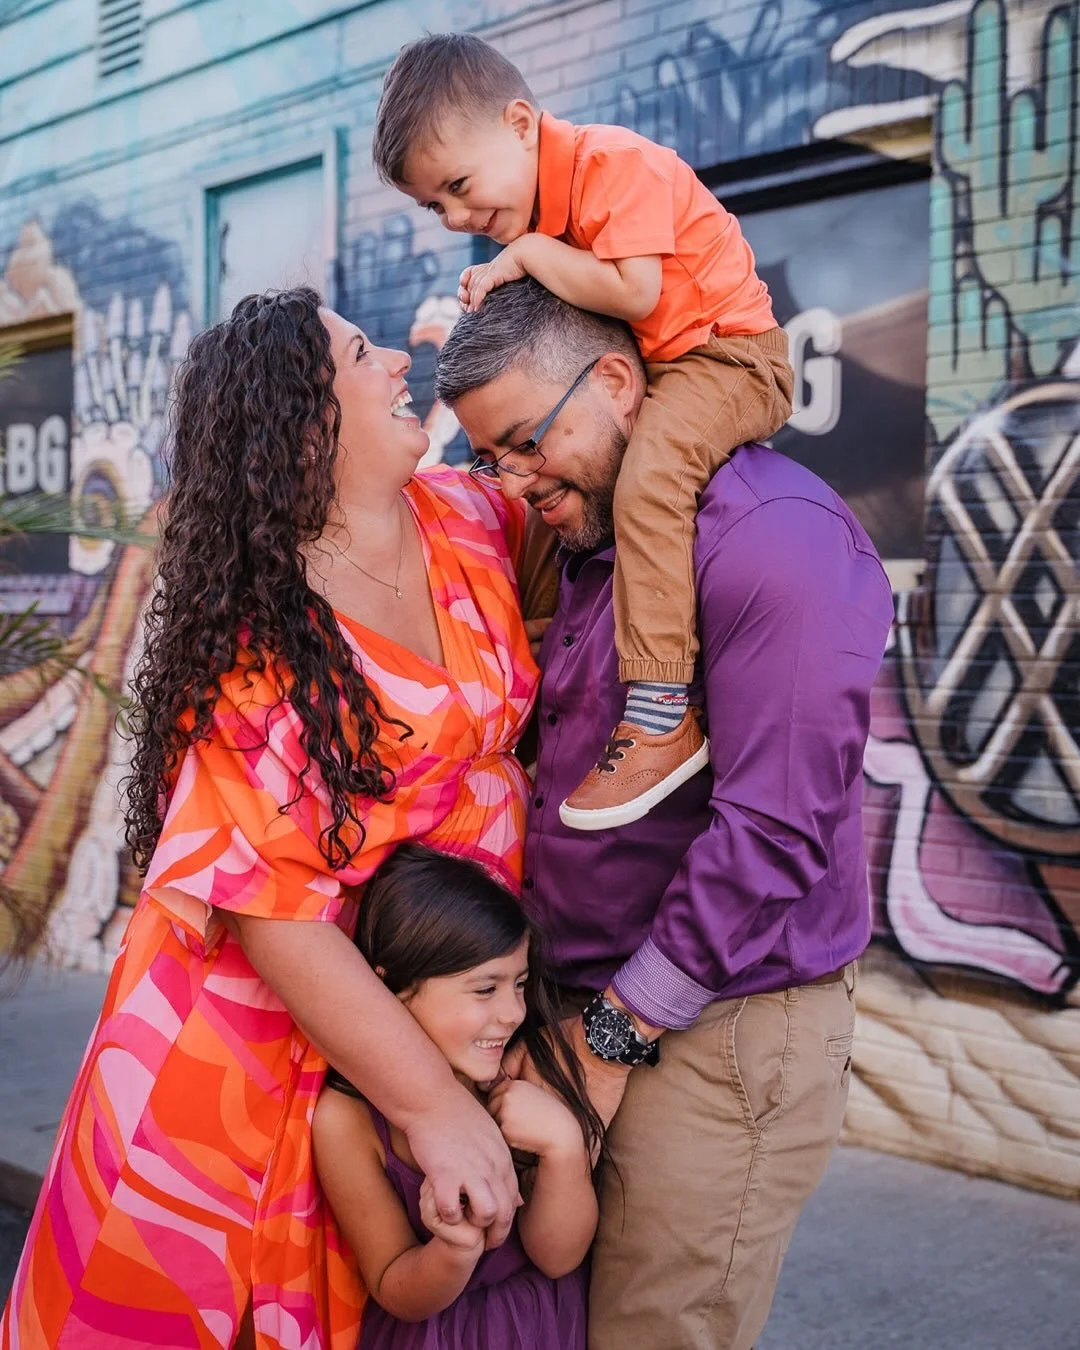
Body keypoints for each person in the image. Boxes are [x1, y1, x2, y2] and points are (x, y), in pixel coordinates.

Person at [1, 287, 540, 1350]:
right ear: (304, 423)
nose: (396, 359)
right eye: (359, 353)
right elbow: (276, 914)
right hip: (244, 1046)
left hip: (413, 996)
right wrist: (432, 1109)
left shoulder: (473, 523)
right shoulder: (260, 639)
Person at [434, 278, 895, 1350]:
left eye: (526, 442)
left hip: (716, 1030)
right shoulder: (596, 543)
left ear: (615, 382)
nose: (514, 478)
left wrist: (607, 1039)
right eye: (490, 456)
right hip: (591, 1010)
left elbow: (775, 832)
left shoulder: (770, 537)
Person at [373, 33, 794, 832]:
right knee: (560, 503)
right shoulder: (546, 211)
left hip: (732, 358)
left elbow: (635, 294)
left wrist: (529, 251)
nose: (459, 217)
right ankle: (563, 667)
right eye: (436, 206)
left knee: (648, 480)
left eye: (459, 186)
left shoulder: (612, 165)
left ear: (523, 123)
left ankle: (663, 711)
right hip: (672, 362)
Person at [313, 843, 600, 1349]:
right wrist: (453, 1250)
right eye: (485, 989)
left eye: (521, 984)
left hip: (540, 1327)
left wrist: (563, 1146)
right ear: (393, 989)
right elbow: (391, 1285)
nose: (513, 1012)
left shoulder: (522, 1071)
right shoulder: (348, 1119)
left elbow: (558, 1258)